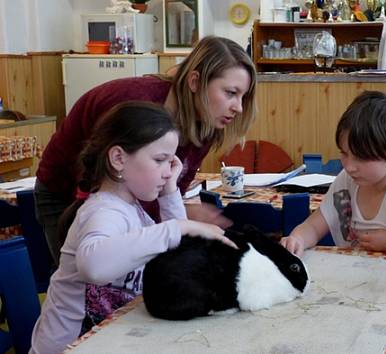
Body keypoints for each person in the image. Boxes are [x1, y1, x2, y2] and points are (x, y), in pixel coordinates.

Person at [30, 102, 238, 354]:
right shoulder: (104, 211)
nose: (167, 171)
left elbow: (177, 254)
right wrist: (176, 228)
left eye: (170, 162)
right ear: (118, 158)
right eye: (160, 160)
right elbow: (94, 266)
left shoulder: (133, 209)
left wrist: (170, 193)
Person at [35, 35, 256, 265]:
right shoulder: (133, 104)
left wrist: (180, 212)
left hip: (119, 196)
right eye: (231, 93)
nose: (239, 107)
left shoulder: (207, 123)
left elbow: (167, 190)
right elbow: (95, 261)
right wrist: (181, 222)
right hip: (68, 191)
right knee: (91, 285)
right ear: (195, 82)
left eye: (243, 96)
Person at [281, 91, 386, 256]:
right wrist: (297, 238)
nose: (349, 167)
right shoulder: (348, 179)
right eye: (344, 153)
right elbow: (314, 226)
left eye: (362, 158)